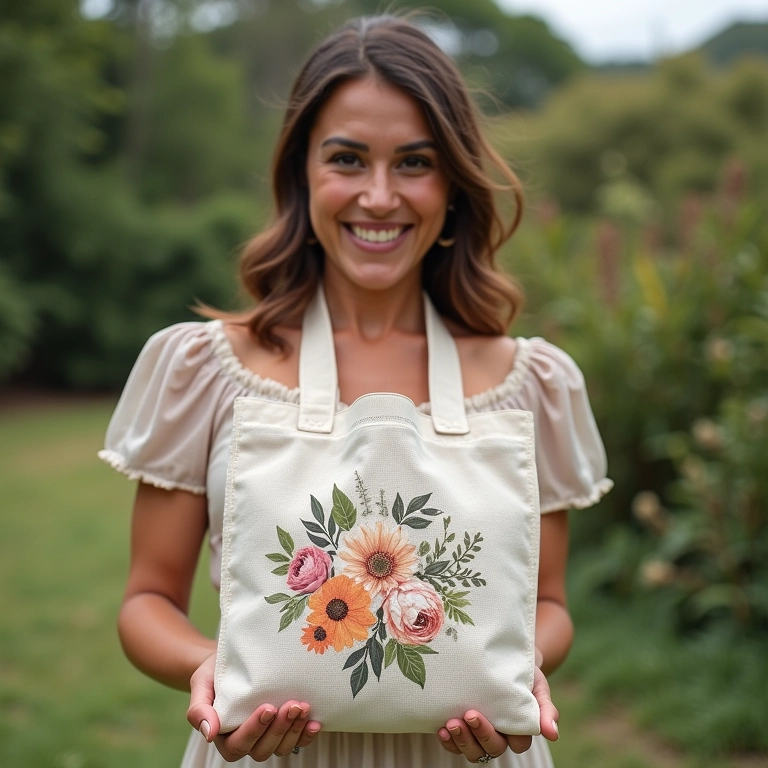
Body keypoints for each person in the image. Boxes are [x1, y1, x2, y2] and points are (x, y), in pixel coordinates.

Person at [100, 14, 612, 768]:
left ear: (453, 183)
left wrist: (518, 668)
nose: (378, 196)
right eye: (347, 158)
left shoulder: (528, 382)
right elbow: (146, 600)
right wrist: (208, 669)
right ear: (301, 173)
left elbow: (552, 605)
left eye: (414, 162)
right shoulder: (202, 369)